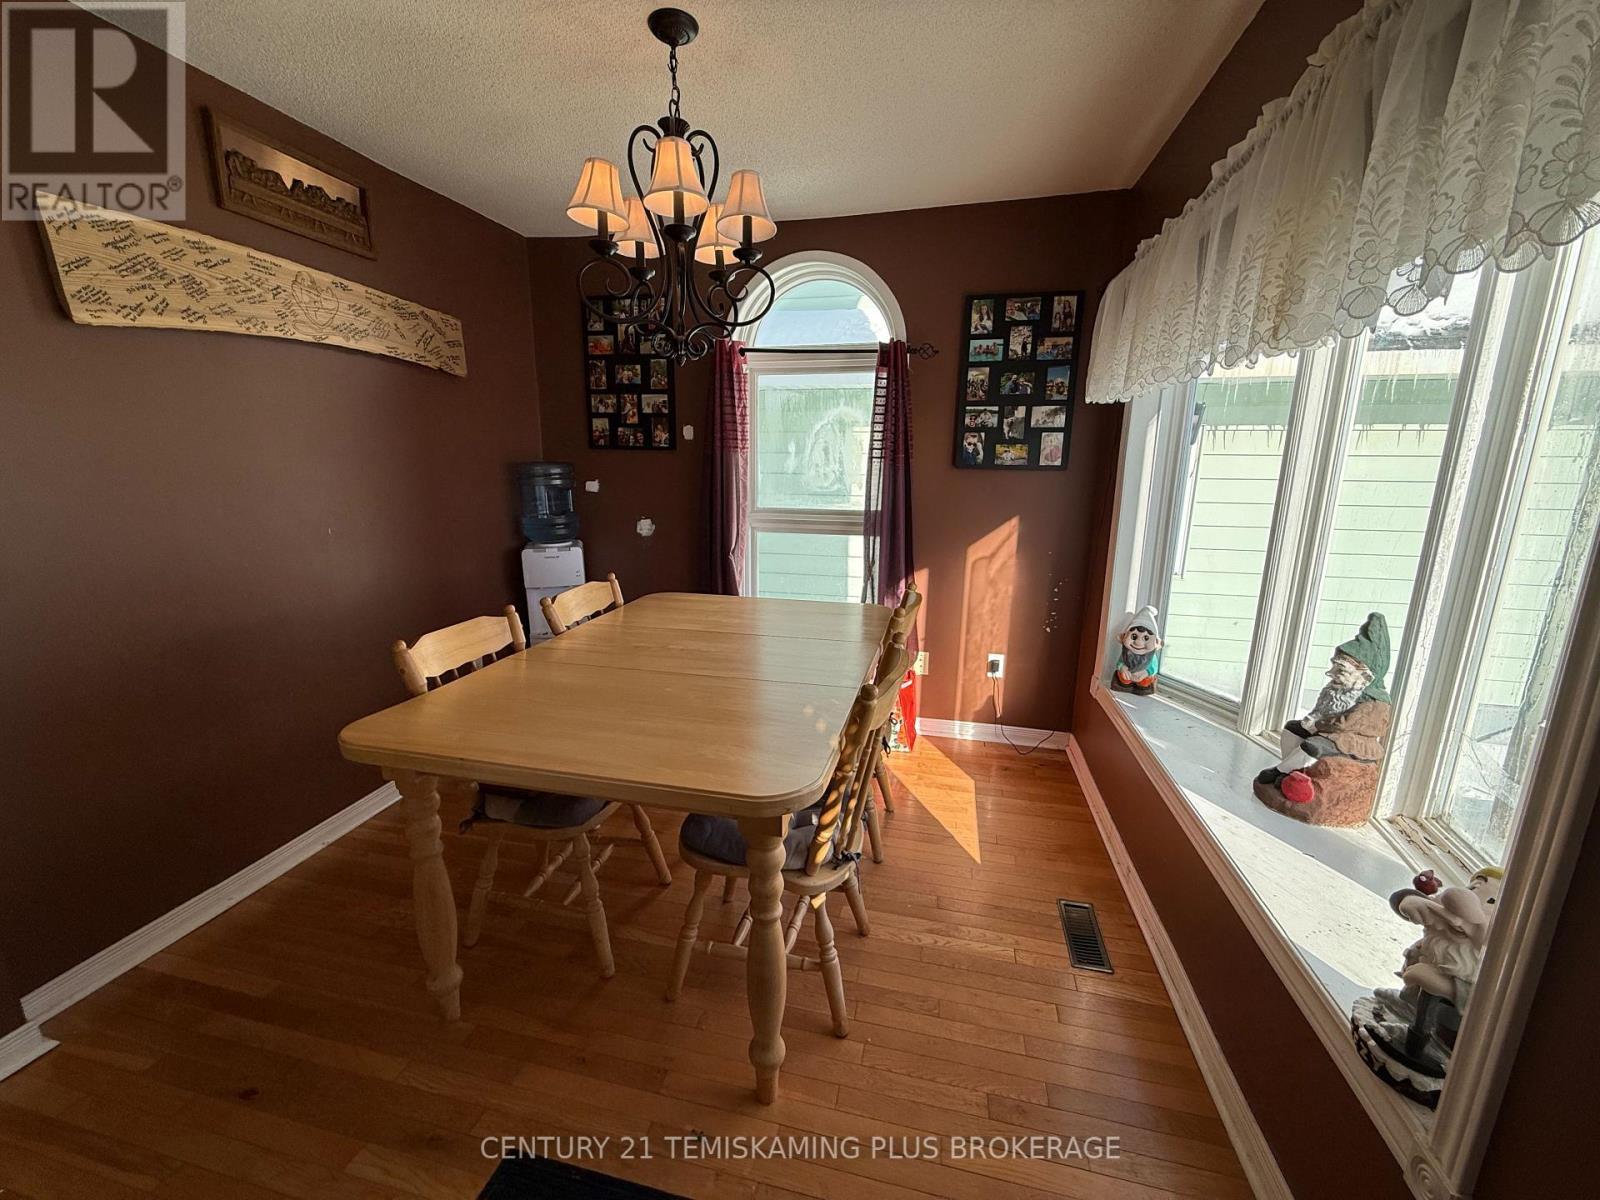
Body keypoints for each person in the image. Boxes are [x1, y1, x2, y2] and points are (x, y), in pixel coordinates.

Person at [1254, 612, 1392, 826]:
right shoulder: (1339, 690)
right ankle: (1294, 771)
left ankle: (1280, 772)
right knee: (1293, 729)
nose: (1332, 673)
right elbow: (1325, 712)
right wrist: (1311, 722)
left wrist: (1317, 724)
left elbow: (1347, 725)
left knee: (1313, 746)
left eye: (1340, 670)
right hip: (1326, 731)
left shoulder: (1375, 704)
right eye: (1334, 666)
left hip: (1350, 743)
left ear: (1365, 676)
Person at [1110, 606, 1162, 694]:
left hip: (1143, 677)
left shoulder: (1151, 656)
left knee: (1145, 681)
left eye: (1146, 638)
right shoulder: (1126, 653)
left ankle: (1143, 688)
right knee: (1122, 678)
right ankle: (1125, 685)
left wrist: (1146, 672)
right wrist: (1123, 668)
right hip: (1128, 675)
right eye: (1134, 636)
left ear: (1157, 643)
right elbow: (1120, 662)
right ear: (1123, 637)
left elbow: (1153, 667)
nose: (1138, 643)